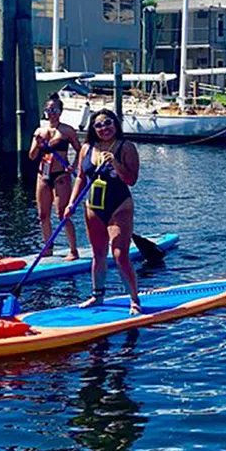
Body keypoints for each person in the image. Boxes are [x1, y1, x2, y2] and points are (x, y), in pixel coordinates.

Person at [68, 109, 143, 315]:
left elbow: (131, 180)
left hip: (120, 205)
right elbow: (81, 178)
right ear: (93, 129)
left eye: (108, 123)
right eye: (99, 125)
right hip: (93, 206)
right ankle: (97, 295)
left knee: (120, 255)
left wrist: (116, 164)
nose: (104, 128)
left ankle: (134, 300)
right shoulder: (86, 148)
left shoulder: (126, 147)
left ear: (115, 124)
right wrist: (71, 203)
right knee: (98, 253)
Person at [29, 93, 82, 260]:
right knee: (43, 214)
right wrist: (38, 144)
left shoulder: (67, 130)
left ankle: (73, 249)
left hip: (61, 175)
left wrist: (73, 166)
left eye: (54, 110)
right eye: (48, 110)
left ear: (60, 112)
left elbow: (81, 151)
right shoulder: (39, 131)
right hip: (43, 175)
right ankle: (48, 247)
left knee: (62, 213)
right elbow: (31, 156)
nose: (51, 113)